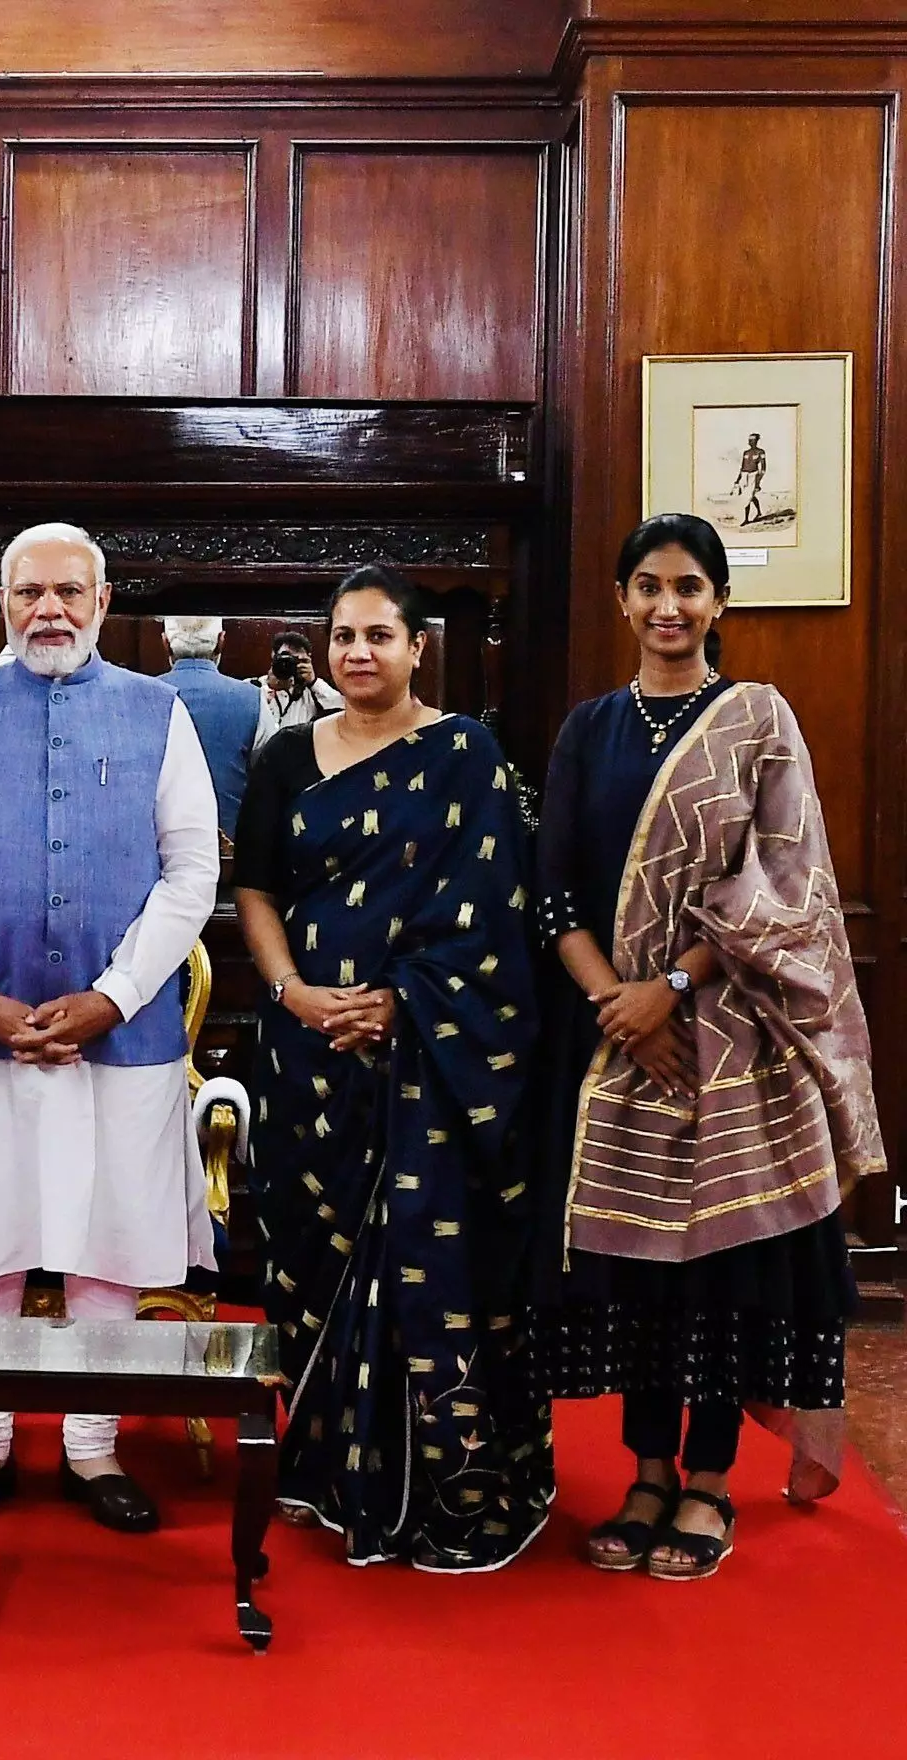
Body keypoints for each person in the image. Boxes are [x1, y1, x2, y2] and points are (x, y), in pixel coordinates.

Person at [531, 514, 883, 1580]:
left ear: (718, 602)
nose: (668, 605)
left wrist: (670, 986)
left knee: (724, 1272)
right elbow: (551, 891)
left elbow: (783, 885)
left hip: (731, 1045)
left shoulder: (758, 721)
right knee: (638, 1275)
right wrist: (616, 1006)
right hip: (613, 1050)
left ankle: (708, 1481)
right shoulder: (586, 729)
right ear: (622, 599)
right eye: (647, 586)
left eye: (688, 586)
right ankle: (644, 1470)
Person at [0, 521, 218, 1534]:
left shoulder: (158, 713)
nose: (49, 610)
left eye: (69, 591)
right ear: (2, 601)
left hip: (118, 1036)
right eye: (28, 592)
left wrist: (113, 993)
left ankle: (91, 1444)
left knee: (103, 1246)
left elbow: (191, 868)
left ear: (104, 603)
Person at [234, 563, 553, 1571]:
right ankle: (328, 1464)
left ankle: (458, 1484)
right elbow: (254, 889)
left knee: (437, 1260)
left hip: (432, 1059)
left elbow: (497, 919)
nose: (357, 652)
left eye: (378, 634)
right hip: (308, 1054)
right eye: (341, 636)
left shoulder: (465, 756)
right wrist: (291, 989)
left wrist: (399, 1000)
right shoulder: (288, 758)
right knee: (312, 1258)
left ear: (419, 647)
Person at [156, 614, 262, 841]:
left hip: (159, 847)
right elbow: (269, 776)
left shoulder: (142, 697)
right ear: (221, 641)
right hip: (234, 848)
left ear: (165, 643)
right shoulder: (254, 698)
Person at [249, 630, 343, 751]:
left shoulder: (312, 693)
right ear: (274, 656)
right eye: (285, 658)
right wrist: (268, 688)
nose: (289, 664)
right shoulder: (253, 687)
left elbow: (342, 708)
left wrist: (314, 682)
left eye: (298, 661)